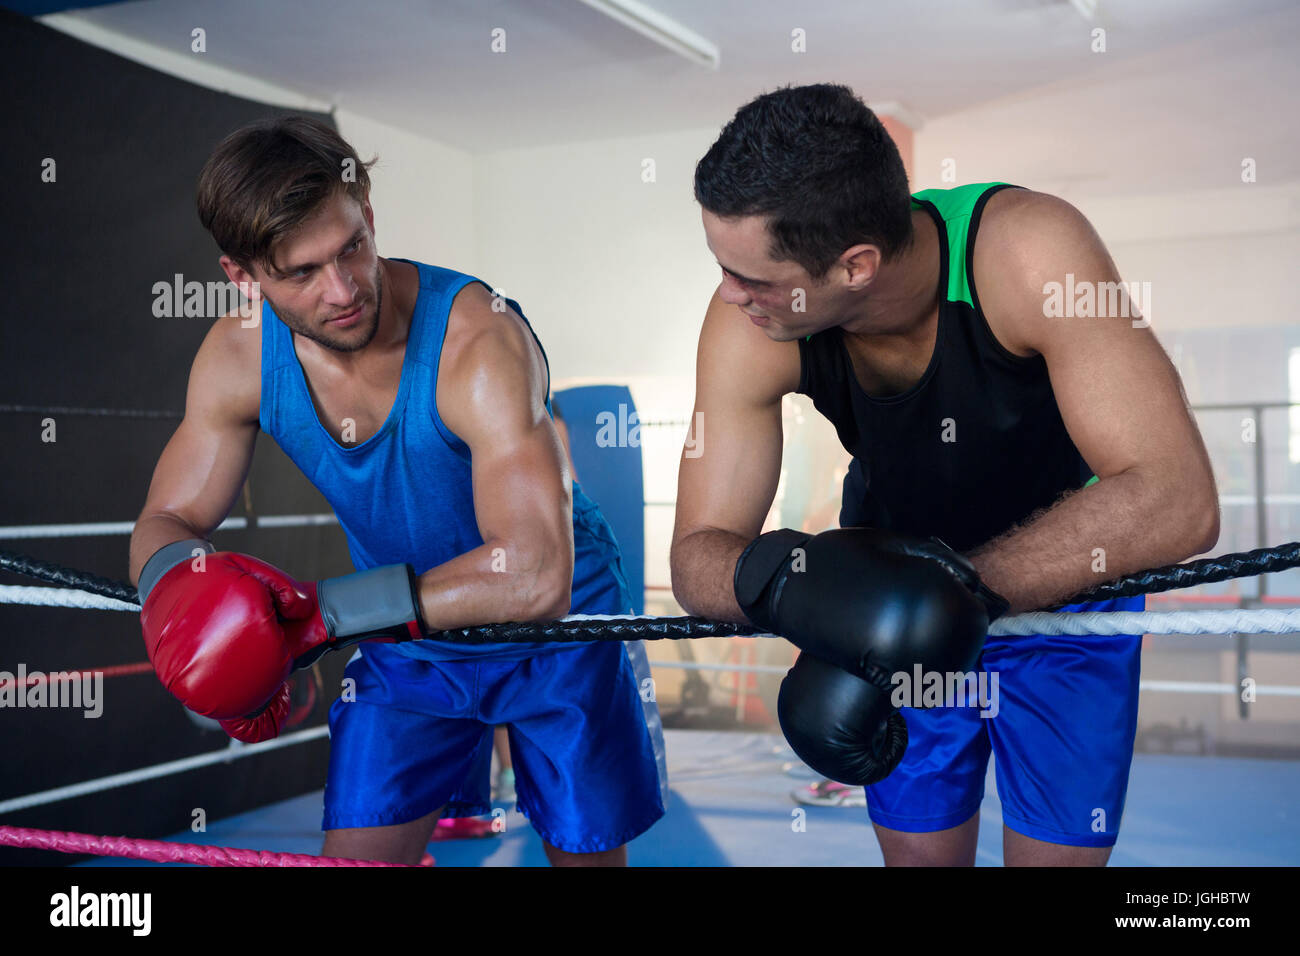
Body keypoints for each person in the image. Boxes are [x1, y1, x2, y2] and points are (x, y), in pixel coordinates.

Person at [670, 84, 1219, 866]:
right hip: (886, 608)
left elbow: (1178, 498)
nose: (728, 293)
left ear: (855, 264)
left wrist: (946, 600)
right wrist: (805, 591)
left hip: (1067, 596)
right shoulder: (749, 324)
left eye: (752, 275)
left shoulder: (1027, 253)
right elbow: (697, 554)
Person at [129, 116, 664, 866]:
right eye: (301, 272)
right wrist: (177, 594)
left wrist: (327, 617)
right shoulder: (236, 358)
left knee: (583, 852)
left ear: (369, 216)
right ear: (242, 277)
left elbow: (536, 573)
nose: (343, 289)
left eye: (350, 247)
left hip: (556, 621)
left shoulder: (477, 341)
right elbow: (166, 517)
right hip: (403, 630)